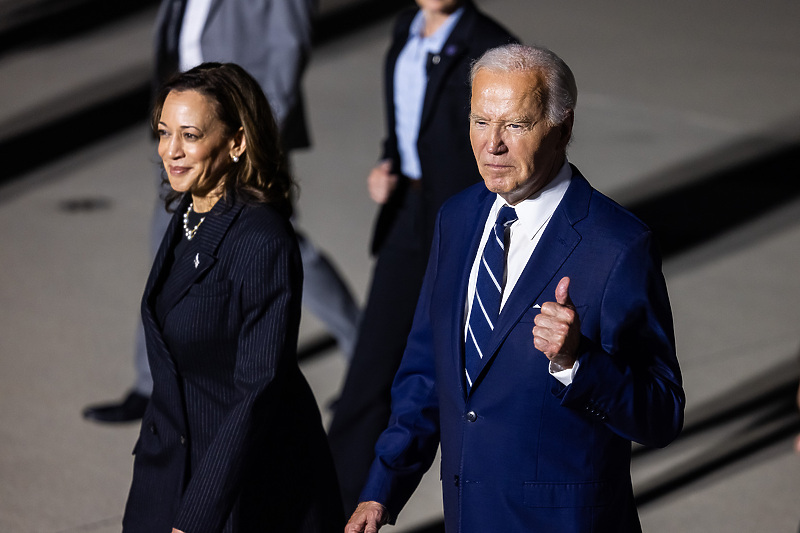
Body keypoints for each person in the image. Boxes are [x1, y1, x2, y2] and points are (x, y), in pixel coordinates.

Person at [345, 44, 685, 533]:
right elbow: (426, 370)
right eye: (481, 122)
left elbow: (662, 415)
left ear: (562, 128)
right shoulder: (457, 218)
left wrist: (577, 362)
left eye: (516, 126)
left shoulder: (618, 246)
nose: (492, 145)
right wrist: (382, 488)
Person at [83, 0, 360, 423]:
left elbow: (287, 51)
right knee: (166, 244)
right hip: (187, 131)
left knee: (279, 244)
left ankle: (364, 354)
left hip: (237, 139)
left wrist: (258, 142)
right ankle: (151, 383)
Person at [122, 63, 344, 533]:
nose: (171, 151)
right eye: (164, 133)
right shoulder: (189, 212)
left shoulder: (261, 240)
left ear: (237, 141)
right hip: (169, 466)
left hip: (239, 485)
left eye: (190, 134)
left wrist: (197, 516)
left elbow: (257, 390)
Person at [326, 0, 517, 512]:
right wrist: (388, 163)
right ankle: (333, 500)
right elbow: (410, 125)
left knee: (459, 371)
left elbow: (502, 150)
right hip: (409, 211)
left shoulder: (491, 49)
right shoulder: (406, 30)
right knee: (373, 359)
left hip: (459, 220)